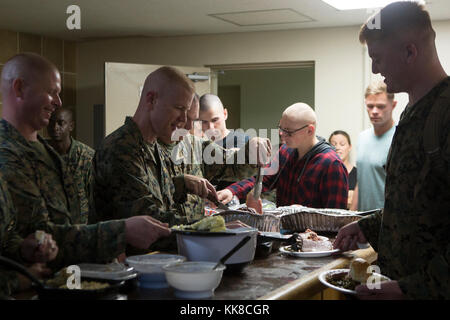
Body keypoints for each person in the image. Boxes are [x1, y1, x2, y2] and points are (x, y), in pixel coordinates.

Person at [0, 53, 171, 270]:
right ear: (19, 88)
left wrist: (108, 248)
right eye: (51, 93)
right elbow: (39, 235)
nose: (58, 102)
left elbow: (75, 222)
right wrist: (121, 232)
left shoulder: (47, 151)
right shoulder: (7, 154)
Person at [334, 1, 449, 300]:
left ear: (410, 52)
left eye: (378, 58)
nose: (374, 69)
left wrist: (410, 290)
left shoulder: (445, 114)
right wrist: (370, 226)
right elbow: (421, 202)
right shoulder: (412, 113)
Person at [158, 94, 269, 220]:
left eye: (191, 119)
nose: (188, 126)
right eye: (181, 119)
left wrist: (251, 150)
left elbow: (232, 165)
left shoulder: (196, 144)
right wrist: (180, 184)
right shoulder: (144, 148)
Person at [218, 103, 349, 210]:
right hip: (285, 235)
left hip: (314, 239)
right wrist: (232, 191)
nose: (281, 134)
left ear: (310, 130)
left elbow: (335, 219)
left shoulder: (332, 165)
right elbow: (264, 179)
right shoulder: (285, 151)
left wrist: (306, 213)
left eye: (288, 132)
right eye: (280, 128)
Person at [350, 81, 397, 211]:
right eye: (370, 106)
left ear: (393, 105)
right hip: (362, 221)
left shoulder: (400, 139)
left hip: (386, 223)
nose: (374, 111)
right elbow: (361, 181)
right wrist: (350, 216)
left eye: (381, 106)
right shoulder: (362, 137)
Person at [47, 107, 95, 223]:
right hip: (49, 231)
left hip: (79, 230)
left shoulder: (86, 157)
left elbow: (95, 201)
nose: (55, 128)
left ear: (71, 126)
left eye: (60, 123)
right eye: (51, 122)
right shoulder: (40, 153)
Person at [199, 94, 251, 190]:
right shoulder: (201, 146)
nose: (211, 127)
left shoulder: (241, 141)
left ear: (225, 114)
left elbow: (246, 180)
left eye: (215, 120)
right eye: (204, 122)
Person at [329, 130, 357, 209]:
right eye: (333, 144)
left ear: (349, 147)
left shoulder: (359, 174)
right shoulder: (326, 173)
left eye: (342, 144)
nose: (337, 148)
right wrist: (349, 195)